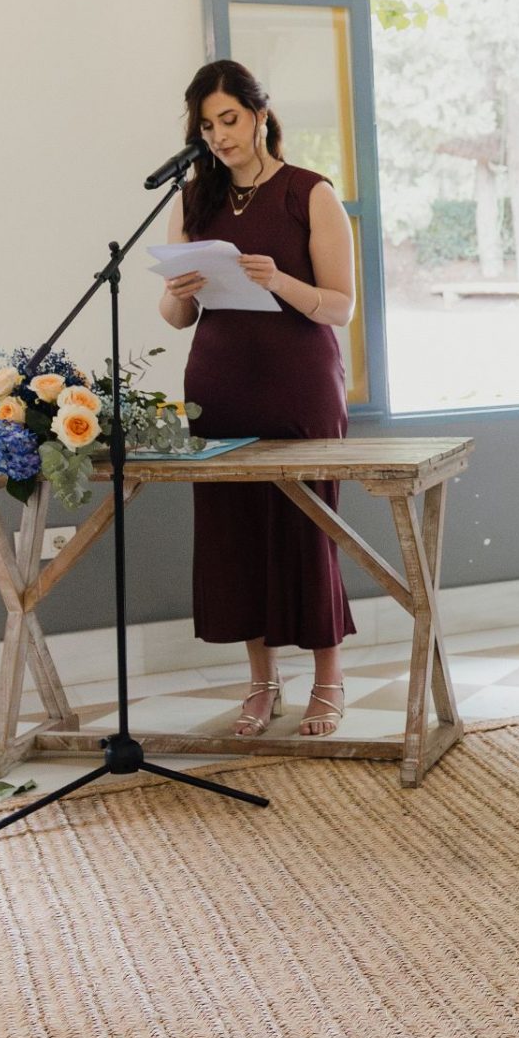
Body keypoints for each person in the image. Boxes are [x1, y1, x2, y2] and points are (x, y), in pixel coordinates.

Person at [159, 60, 360, 739]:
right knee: (236, 536)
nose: (219, 136)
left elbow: (340, 306)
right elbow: (177, 318)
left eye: (229, 119)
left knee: (308, 531)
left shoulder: (310, 192)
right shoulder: (194, 200)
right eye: (206, 126)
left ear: (260, 115)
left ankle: (328, 680)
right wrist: (177, 291)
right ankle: (262, 682)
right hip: (219, 388)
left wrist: (279, 281)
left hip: (299, 386)